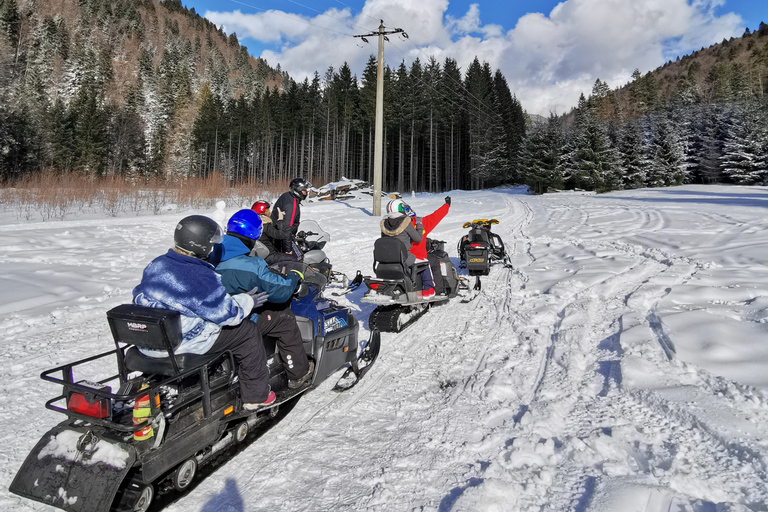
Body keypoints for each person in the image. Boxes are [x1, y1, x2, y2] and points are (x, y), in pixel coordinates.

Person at [132, 215, 275, 410]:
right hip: (181, 344)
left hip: (149, 340)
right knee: (247, 331)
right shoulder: (197, 274)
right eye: (211, 244)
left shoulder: (157, 264)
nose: (213, 248)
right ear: (201, 245)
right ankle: (256, 396)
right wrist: (249, 300)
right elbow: (228, 314)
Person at [214, 209, 314, 390]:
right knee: (284, 318)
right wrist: (294, 276)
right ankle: (298, 374)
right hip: (239, 321)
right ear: (254, 235)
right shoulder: (251, 265)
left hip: (214, 318)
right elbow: (281, 291)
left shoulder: (211, 253)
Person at [407, 197, 452, 298]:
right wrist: (447, 205)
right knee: (434, 260)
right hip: (417, 258)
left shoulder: (391, 225)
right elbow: (436, 216)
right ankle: (438, 290)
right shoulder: (419, 224)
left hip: (399, 258)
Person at [271, 177, 312, 255]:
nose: (306, 192)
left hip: (278, 235)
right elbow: (287, 228)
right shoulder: (291, 205)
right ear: (297, 191)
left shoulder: (288, 196)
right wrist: (288, 249)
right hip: (280, 239)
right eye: (304, 190)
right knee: (299, 257)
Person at [251, 200, 295, 264]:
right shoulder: (265, 225)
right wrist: (280, 220)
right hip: (269, 255)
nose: (269, 212)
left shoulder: (254, 224)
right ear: (263, 211)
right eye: (267, 210)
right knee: (293, 258)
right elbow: (280, 235)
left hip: (260, 255)